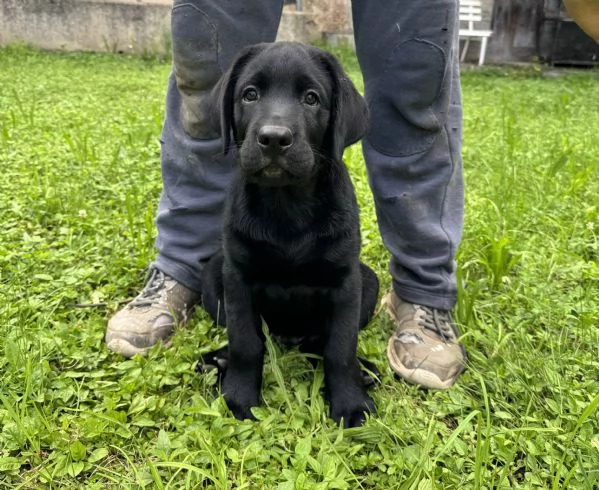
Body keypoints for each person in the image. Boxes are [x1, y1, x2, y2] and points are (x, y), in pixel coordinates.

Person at [106, 0, 467, 390]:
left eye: (310, 98)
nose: (275, 129)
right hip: (248, 256)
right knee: (204, 55)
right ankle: (181, 267)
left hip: (324, 253)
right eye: (250, 96)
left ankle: (423, 288)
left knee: (416, 67)